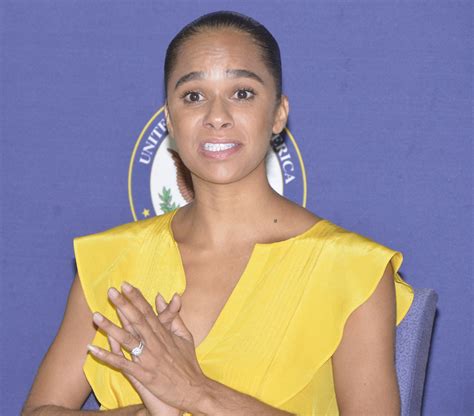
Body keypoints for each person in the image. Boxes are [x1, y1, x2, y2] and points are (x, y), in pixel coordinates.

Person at [22, 10, 414, 416]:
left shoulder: (353, 269)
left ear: (278, 114)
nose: (217, 117)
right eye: (194, 96)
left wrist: (196, 392)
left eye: (242, 93)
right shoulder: (112, 261)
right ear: (170, 119)